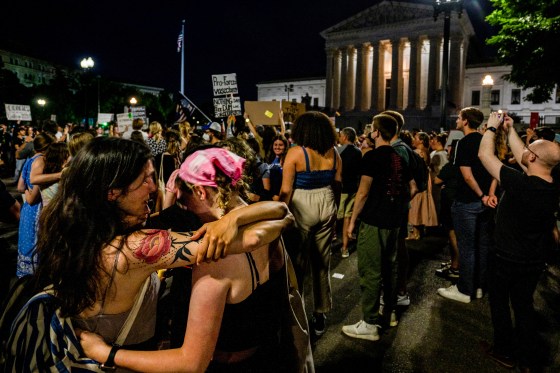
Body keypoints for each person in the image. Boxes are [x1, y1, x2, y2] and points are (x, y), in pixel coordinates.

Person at [5, 137, 293, 372]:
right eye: (145, 180)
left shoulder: (79, 235)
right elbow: (259, 233)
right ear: (112, 192)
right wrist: (239, 218)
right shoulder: (134, 249)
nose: (155, 188)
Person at [479, 112, 560, 372]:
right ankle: (527, 359)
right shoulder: (549, 184)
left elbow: (485, 157)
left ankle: (504, 351)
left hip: (505, 257)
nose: (525, 150)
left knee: (500, 304)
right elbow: (526, 156)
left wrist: (492, 129)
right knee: (523, 306)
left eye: (529, 149)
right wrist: (510, 129)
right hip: (533, 260)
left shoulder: (520, 184)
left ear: (533, 158)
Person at [342, 113, 412, 341]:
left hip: (374, 221)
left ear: (377, 133)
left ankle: (370, 323)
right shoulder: (400, 157)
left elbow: (362, 194)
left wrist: (352, 222)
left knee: (370, 272)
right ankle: (388, 314)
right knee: (388, 270)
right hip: (394, 221)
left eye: (372, 129)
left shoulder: (372, 158)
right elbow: (410, 188)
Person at [279, 111, 342, 336]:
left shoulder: (296, 152)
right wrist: (334, 213)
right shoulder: (334, 153)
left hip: (301, 202)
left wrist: (279, 213)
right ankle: (321, 313)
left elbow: (286, 190)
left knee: (298, 264)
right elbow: (338, 184)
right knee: (321, 262)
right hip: (327, 201)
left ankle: (298, 312)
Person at [438, 107, 496, 303]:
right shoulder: (487, 141)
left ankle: (464, 290)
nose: (456, 120)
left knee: (467, 248)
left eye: (459, 117)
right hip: (486, 202)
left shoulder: (463, 143)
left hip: (467, 201)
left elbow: (467, 175)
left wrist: (481, 195)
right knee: (481, 246)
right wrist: (490, 195)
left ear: (465, 121)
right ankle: (478, 287)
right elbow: (496, 171)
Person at [16, 133, 56, 278]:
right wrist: (29, 192)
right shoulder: (41, 161)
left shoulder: (29, 160)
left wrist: (26, 191)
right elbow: (33, 198)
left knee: (26, 242)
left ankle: (26, 277)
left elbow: (20, 187)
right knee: (35, 242)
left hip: (26, 209)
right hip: (35, 209)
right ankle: (34, 279)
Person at [336, 127, 362, 258]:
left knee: (333, 218)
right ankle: (345, 248)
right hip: (353, 189)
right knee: (347, 218)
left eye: (340, 135)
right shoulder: (358, 152)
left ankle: (326, 246)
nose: (339, 137)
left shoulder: (339, 151)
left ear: (345, 137)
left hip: (341, 189)